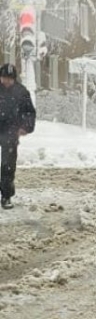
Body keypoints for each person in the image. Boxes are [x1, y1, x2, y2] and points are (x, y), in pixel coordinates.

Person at [0, 63, 36, 210]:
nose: (6, 81)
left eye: (9, 78)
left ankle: (6, 195)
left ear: (14, 79)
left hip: (11, 131)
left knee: (8, 165)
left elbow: (29, 112)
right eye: (4, 78)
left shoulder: (21, 92)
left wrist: (25, 127)